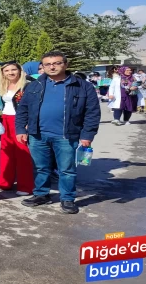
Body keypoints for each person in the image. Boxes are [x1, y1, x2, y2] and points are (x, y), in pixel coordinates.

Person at [16, 51, 101, 214]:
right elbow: (23, 110)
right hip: (38, 135)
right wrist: (20, 129)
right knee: (42, 168)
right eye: (47, 64)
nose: (52, 67)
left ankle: (67, 199)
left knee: (67, 170)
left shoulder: (82, 86)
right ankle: (41, 194)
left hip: (67, 136)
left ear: (65, 64)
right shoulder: (35, 85)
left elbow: (92, 113)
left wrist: (87, 135)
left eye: (56, 63)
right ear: (42, 66)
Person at [0, 61, 34, 196]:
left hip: (20, 121)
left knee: (22, 154)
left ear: (19, 70)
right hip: (6, 120)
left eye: (13, 70)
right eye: (7, 71)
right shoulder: (2, 85)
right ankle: (4, 182)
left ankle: (25, 186)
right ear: (2, 73)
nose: (10, 73)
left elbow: (33, 107)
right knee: (6, 152)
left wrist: (27, 123)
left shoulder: (28, 85)